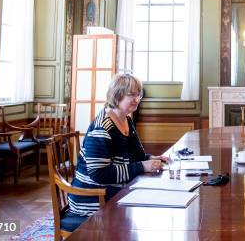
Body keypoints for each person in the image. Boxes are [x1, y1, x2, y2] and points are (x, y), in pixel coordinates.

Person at [68, 73, 170, 217]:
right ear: (117, 96)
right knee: (154, 201)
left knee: (157, 196)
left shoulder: (126, 120)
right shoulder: (102, 128)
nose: (137, 99)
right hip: (93, 197)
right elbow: (99, 174)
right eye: (131, 95)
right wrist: (142, 166)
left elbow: (135, 156)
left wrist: (151, 158)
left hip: (114, 189)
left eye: (138, 95)